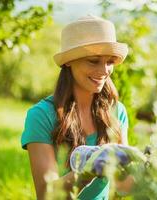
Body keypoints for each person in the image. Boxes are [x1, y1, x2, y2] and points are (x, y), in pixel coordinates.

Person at [20, 14, 134, 200]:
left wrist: (156, 169)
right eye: (94, 60)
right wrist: (87, 172)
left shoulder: (117, 111)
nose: (105, 70)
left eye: (109, 62)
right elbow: (45, 195)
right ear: (69, 61)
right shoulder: (41, 115)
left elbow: (123, 186)